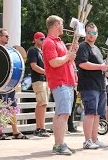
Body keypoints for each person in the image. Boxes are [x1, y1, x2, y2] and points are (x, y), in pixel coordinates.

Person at [42, 15, 77, 155]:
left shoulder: (59, 42)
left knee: (61, 114)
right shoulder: (49, 42)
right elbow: (54, 62)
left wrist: (70, 56)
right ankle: (59, 144)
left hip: (67, 82)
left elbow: (64, 60)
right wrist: (68, 57)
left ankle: (59, 143)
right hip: (60, 82)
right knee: (63, 114)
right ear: (56, 24)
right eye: (61, 24)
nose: (63, 26)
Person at [75, 22, 108, 149]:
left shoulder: (97, 49)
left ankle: (94, 139)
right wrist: (100, 66)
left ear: (97, 34)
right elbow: (82, 64)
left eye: (94, 33)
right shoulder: (83, 46)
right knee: (90, 113)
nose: (91, 35)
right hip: (89, 85)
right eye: (89, 32)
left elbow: (101, 66)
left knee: (97, 114)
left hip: (99, 85)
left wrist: (105, 66)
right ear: (85, 33)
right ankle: (87, 140)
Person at [0, 28, 29, 140]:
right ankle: (0, 132)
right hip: (0, 84)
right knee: (1, 107)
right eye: (6, 36)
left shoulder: (9, 51)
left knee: (12, 107)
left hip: (10, 83)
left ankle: (15, 131)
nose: (8, 38)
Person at [27, 31, 50, 137]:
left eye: (44, 39)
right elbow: (34, 66)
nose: (43, 40)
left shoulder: (42, 51)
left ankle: (40, 127)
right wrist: (47, 72)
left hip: (44, 80)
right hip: (38, 80)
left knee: (42, 104)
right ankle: (40, 128)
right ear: (35, 40)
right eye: (41, 39)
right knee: (42, 103)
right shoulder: (32, 50)